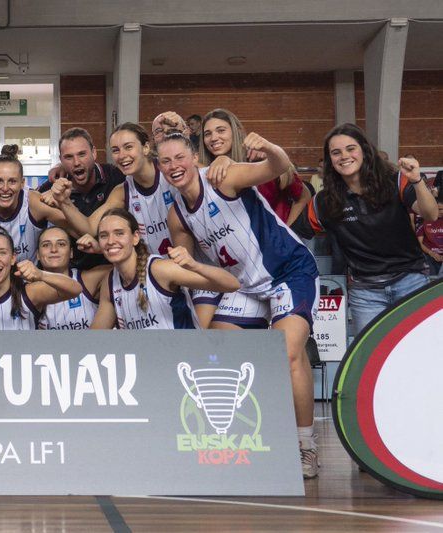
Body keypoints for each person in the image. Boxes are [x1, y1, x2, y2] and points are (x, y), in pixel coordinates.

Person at [159, 131, 321, 478]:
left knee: (288, 353)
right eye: (166, 161)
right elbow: (189, 261)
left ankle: (305, 445)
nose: (174, 166)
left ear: (193, 157)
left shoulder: (224, 177)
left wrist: (270, 147)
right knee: (222, 356)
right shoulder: (177, 216)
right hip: (244, 286)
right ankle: (251, 437)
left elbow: (278, 166)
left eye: (179, 158)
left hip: (286, 272)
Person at [55, 122, 227, 326]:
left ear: (146, 147)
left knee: (205, 338)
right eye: (116, 150)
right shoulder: (122, 191)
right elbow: (90, 227)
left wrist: (224, 160)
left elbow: (212, 173)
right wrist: (64, 202)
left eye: (128, 147)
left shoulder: (170, 168)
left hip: (199, 269)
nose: (122, 155)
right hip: (160, 278)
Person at [293, 123, 438, 333]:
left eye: (350, 149)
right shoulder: (323, 202)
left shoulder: (395, 181)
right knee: (371, 360)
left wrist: (417, 181)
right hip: (365, 294)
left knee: (419, 355)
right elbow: (292, 236)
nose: (344, 156)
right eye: (336, 152)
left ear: (364, 151)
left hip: (411, 283)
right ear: (330, 161)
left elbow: (430, 214)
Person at [91, 209, 239, 330]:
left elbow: (231, 284)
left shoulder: (159, 270)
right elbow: (95, 338)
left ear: (135, 237)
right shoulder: (110, 283)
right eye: (104, 236)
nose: (110, 241)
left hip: (183, 360)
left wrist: (195, 265)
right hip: (146, 363)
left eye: (119, 233)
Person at [0, 145, 85, 263]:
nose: (5, 188)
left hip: (30, 281)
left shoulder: (34, 203)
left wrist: (64, 203)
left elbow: (79, 230)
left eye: (12, 181)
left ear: (22, 183)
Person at [0, 226, 82, 330]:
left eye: (2, 252)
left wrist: (41, 274)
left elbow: (75, 289)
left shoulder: (29, 292)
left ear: (13, 258)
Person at [199, 108, 310, 226]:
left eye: (221, 130)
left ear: (236, 131)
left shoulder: (263, 160)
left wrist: (287, 229)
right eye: (208, 134)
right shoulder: (206, 173)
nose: (213, 138)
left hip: (278, 241)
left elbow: (304, 196)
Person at [38, 127, 125, 269]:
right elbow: (26, 200)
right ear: (61, 160)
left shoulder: (115, 176)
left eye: (82, 154)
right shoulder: (51, 188)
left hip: (111, 269)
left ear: (94, 153)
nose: (76, 162)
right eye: (68, 157)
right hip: (71, 273)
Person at [36, 226, 109, 330]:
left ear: (71, 253)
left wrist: (101, 249)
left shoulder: (88, 281)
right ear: (38, 255)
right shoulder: (28, 290)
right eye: (46, 245)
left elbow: (130, 268)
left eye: (61, 244)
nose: (54, 249)